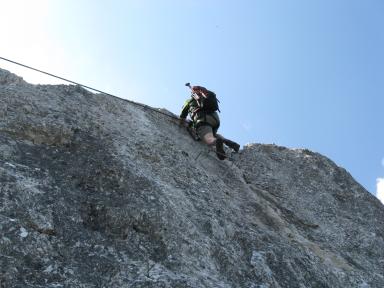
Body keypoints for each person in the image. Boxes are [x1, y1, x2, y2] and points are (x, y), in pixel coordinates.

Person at [179, 84, 240, 160]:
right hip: (215, 120)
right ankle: (231, 144)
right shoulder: (205, 96)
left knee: (208, 138)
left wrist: (181, 122)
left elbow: (183, 115)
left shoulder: (190, 101)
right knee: (213, 134)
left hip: (203, 119)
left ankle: (217, 143)